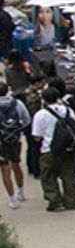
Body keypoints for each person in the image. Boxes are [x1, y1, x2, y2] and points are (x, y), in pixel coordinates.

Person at [32, 83, 75, 211]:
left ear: (43, 99)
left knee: (48, 176)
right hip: (67, 148)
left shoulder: (41, 114)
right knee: (68, 175)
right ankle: (72, 201)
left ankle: (55, 201)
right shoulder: (67, 110)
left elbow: (36, 136)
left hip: (49, 149)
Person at [0, 80, 30, 208]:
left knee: (5, 169)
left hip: (1, 142)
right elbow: (27, 119)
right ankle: (21, 191)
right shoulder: (17, 103)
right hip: (15, 139)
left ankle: (12, 199)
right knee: (16, 164)